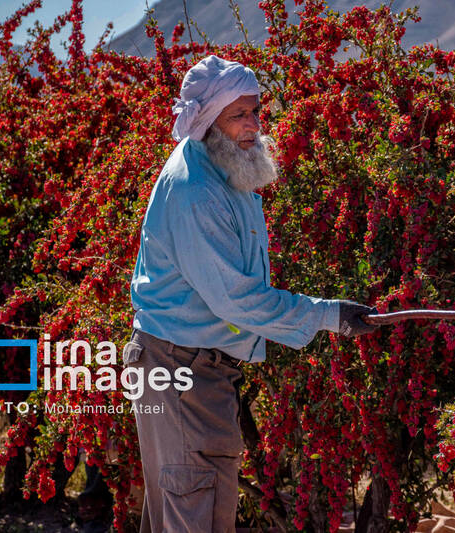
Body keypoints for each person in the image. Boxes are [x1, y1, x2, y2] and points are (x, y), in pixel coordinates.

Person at [124, 55, 377, 533]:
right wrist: (329, 316)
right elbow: (237, 300)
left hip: (194, 369)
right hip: (181, 371)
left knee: (187, 511)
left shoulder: (223, 167)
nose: (254, 126)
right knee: (194, 514)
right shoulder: (196, 190)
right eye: (239, 115)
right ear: (207, 121)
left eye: (255, 111)